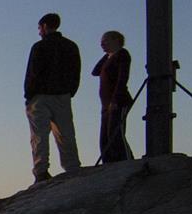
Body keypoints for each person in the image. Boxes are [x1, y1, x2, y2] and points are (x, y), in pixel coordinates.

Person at [23, 12, 83, 182]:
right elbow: (75, 71)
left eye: (39, 28)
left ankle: (41, 171)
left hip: (40, 96)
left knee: (39, 135)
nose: (39, 32)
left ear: (44, 26)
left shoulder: (39, 47)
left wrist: (29, 95)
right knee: (66, 133)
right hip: (62, 95)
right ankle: (72, 167)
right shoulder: (71, 46)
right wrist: (70, 91)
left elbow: (33, 73)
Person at [93, 29, 134, 163]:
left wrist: (115, 99)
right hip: (105, 103)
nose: (102, 44)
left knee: (115, 133)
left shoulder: (122, 55)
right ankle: (109, 163)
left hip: (118, 101)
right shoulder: (109, 57)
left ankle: (126, 161)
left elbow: (122, 78)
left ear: (116, 41)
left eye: (105, 41)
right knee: (104, 137)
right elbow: (95, 71)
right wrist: (107, 55)